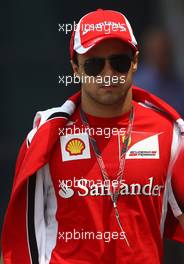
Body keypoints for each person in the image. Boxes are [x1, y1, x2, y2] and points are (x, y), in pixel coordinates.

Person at [1, 8, 184, 264]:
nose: (108, 74)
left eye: (118, 62)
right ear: (75, 68)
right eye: (94, 65)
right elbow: (21, 242)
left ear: (135, 62)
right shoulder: (46, 137)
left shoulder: (170, 133)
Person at [134, 27, 184, 116]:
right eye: (160, 51)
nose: (165, 57)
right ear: (149, 52)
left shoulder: (177, 84)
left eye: (167, 51)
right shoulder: (136, 84)